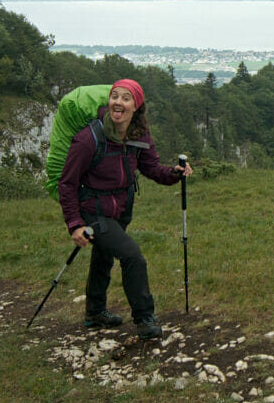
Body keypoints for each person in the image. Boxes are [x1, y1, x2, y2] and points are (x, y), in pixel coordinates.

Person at [57, 78, 192, 339]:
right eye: (114, 96)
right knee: (133, 257)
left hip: (122, 207)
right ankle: (144, 319)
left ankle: (95, 313)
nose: (117, 102)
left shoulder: (139, 135)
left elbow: (151, 168)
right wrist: (74, 224)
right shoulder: (89, 138)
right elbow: (67, 182)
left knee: (104, 256)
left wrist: (174, 173)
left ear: (136, 106)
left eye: (125, 98)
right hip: (93, 209)